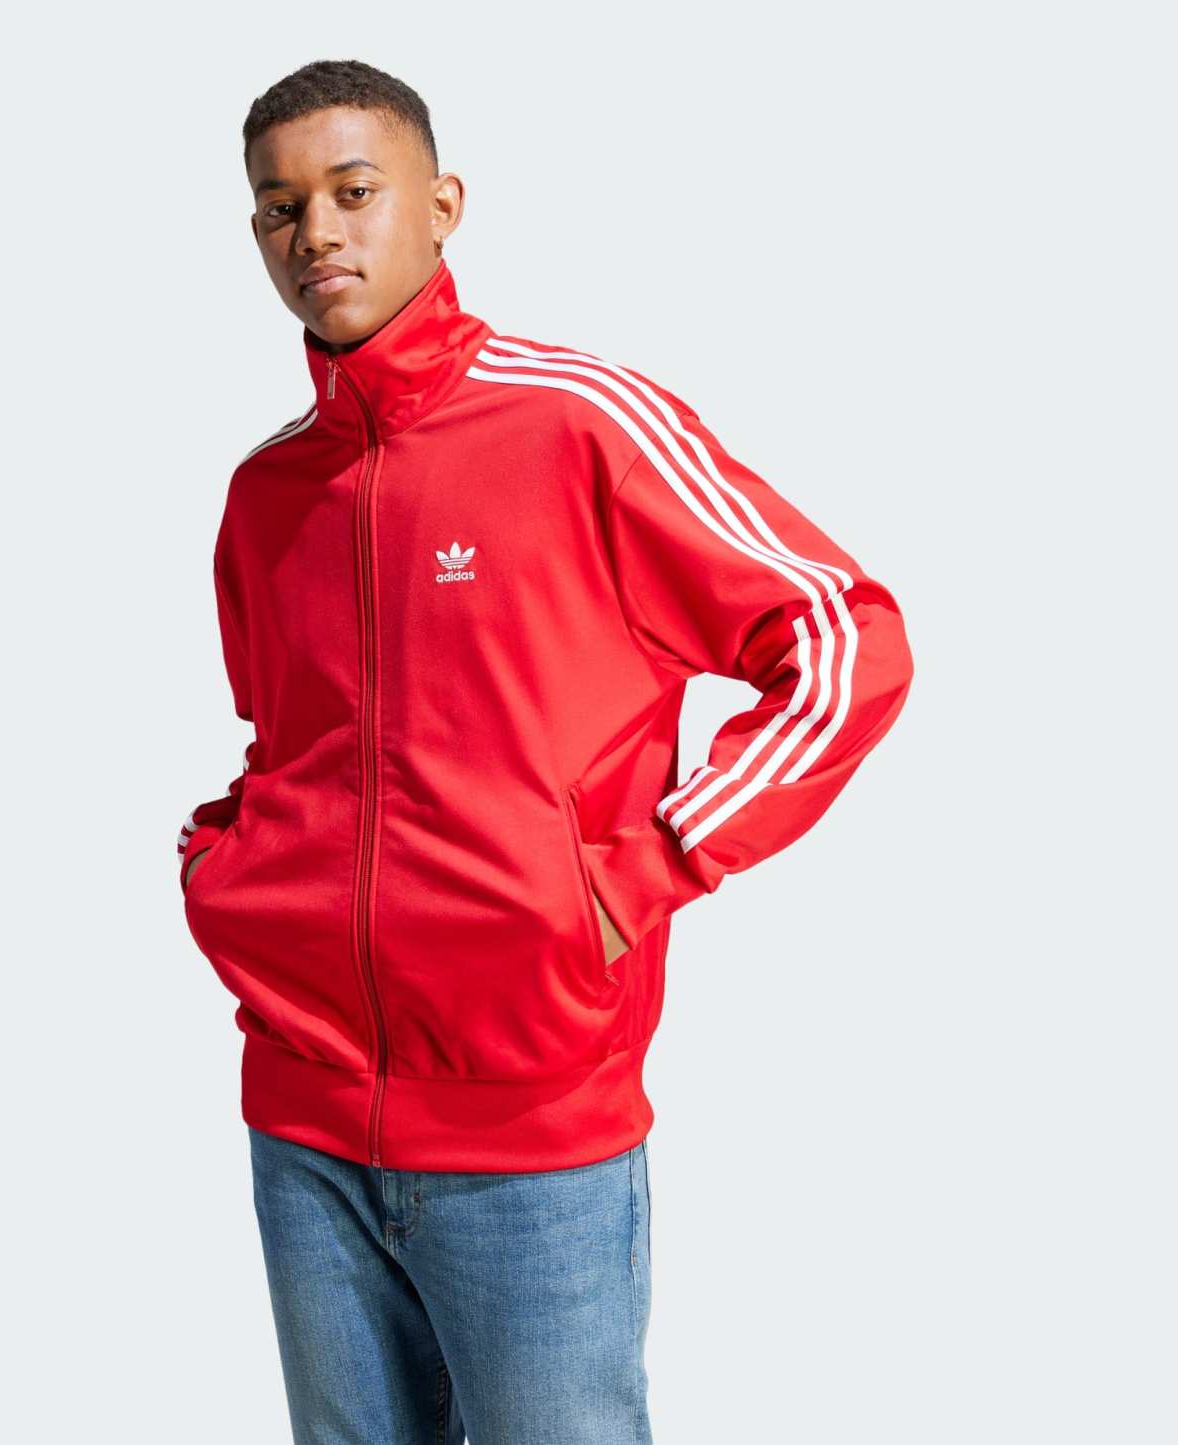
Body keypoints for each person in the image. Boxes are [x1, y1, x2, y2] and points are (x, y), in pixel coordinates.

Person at [177, 58, 915, 1445]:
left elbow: (841, 635)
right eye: (280, 207)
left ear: (442, 203)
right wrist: (227, 865)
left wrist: (642, 870)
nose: (316, 232)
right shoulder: (267, 491)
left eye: (353, 191)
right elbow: (284, 745)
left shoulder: (575, 423)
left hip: (533, 1136)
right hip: (303, 1120)